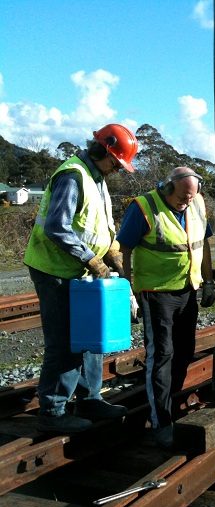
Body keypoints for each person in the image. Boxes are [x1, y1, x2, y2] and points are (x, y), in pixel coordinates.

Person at [24, 123, 138, 433]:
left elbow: (100, 225)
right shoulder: (73, 175)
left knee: (91, 335)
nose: (117, 169)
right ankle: (53, 410)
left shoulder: (96, 177)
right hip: (55, 270)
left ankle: (89, 398)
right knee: (64, 342)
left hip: (79, 270)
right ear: (103, 151)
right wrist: (92, 259)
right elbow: (57, 227)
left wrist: (112, 252)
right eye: (116, 162)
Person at [117, 166, 215, 448]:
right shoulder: (144, 207)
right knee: (161, 354)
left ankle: (171, 402)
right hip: (156, 293)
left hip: (188, 289)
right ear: (168, 187)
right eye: (183, 197)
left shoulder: (195, 203)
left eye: (191, 197)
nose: (187, 202)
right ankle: (160, 420)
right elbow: (123, 249)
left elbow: (202, 244)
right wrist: (127, 291)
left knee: (184, 351)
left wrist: (208, 281)